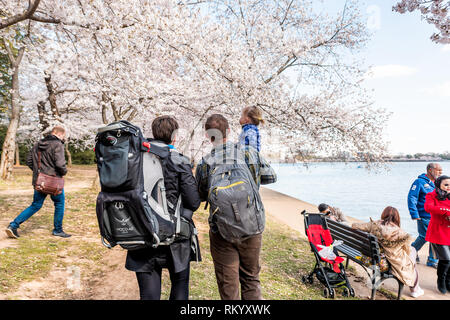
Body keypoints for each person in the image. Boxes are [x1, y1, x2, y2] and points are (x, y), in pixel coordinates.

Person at [195, 114, 276, 300]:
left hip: (221, 230)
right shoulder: (248, 153)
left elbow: (200, 196)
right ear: (229, 131)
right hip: (251, 225)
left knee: (228, 285)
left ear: (208, 136)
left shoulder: (205, 163)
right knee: (251, 279)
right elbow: (271, 177)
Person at [125, 116, 201, 300]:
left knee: (149, 295)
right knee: (180, 285)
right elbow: (193, 201)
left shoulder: (134, 160)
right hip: (174, 236)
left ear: (153, 133)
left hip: (143, 232)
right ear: (174, 136)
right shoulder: (179, 160)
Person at [5, 126, 70, 239]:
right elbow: (60, 164)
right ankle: (57, 230)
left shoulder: (38, 144)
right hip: (54, 182)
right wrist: (64, 172)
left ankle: (13, 225)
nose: (63, 138)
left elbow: (29, 161)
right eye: (63, 136)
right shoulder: (58, 144)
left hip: (39, 181)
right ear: (59, 134)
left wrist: (40, 174)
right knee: (59, 204)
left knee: (35, 205)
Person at [352, 206, 424, 298]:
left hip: (375, 257)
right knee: (413, 253)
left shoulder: (374, 225)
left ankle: (415, 287)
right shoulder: (401, 233)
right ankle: (415, 289)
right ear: (397, 218)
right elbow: (407, 250)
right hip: (389, 262)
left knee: (413, 253)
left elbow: (354, 225)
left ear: (384, 214)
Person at [408, 163, 442, 268]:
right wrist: (414, 213)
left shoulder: (438, 183)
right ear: (430, 170)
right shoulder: (419, 182)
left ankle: (431, 259)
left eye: (441, 171)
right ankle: (412, 251)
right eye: (438, 170)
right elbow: (412, 197)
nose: (441, 173)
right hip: (424, 215)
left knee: (434, 237)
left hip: (436, 216)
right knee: (425, 237)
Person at [424, 175, 450, 294]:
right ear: (438, 184)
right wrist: (446, 211)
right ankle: (441, 281)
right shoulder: (431, 195)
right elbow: (428, 208)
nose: (449, 187)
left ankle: (448, 282)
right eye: (446, 184)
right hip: (438, 232)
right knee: (446, 259)